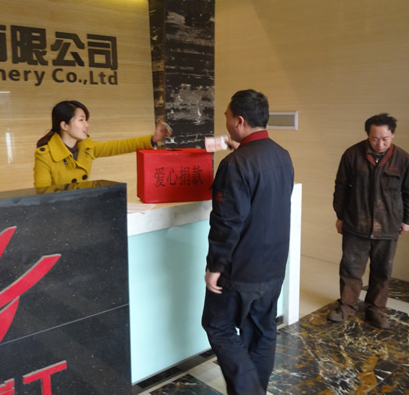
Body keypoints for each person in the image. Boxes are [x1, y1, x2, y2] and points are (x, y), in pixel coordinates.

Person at [201, 90, 294, 395]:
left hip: (240, 270)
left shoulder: (235, 164)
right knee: (262, 332)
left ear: (239, 121)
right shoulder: (282, 155)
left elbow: (227, 222)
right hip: (273, 267)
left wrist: (215, 266)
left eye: (227, 116)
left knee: (218, 326)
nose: (226, 122)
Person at [329, 113, 409, 329]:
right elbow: (341, 188)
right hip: (355, 223)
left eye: (385, 139)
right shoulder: (352, 154)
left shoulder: (403, 159)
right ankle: (347, 306)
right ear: (368, 135)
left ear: (393, 135)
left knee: (382, 271)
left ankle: (375, 308)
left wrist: (408, 219)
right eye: (375, 138)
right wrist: (340, 216)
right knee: (350, 269)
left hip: (388, 225)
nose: (380, 144)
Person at [33, 100, 170, 191]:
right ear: (64, 125)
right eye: (81, 120)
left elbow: (119, 146)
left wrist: (154, 139)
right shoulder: (45, 155)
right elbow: (43, 194)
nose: (86, 125)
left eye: (86, 120)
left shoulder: (87, 147)